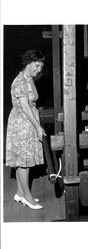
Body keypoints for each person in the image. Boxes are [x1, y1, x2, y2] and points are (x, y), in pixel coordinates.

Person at [5, 50, 46, 210]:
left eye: (41, 67)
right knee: (24, 162)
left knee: (23, 160)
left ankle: (20, 194)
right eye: (37, 65)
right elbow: (25, 107)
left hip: (28, 120)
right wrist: (37, 126)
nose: (39, 69)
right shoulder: (20, 81)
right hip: (22, 122)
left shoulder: (30, 79)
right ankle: (28, 198)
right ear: (28, 62)